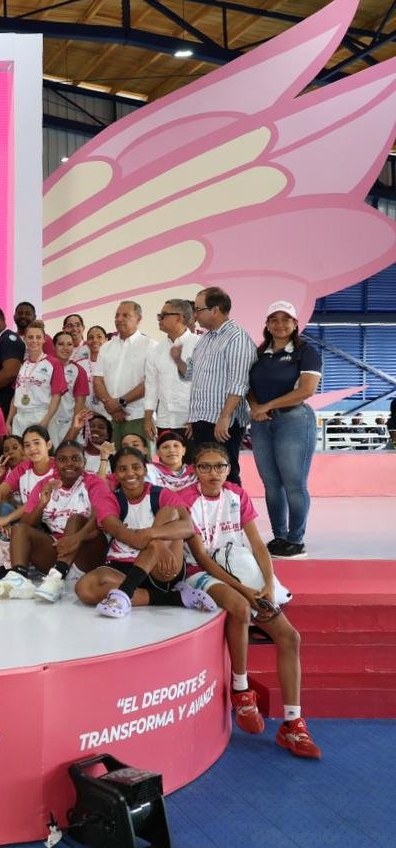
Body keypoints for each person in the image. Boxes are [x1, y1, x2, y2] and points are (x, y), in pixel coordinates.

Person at [176, 442, 320, 759]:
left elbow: (256, 543)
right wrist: (244, 590)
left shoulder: (236, 495)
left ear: (229, 468)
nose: (213, 473)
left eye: (220, 466)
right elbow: (202, 557)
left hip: (240, 567)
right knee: (241, 607)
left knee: (290, 637)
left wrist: (267, 583)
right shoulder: (184, 500)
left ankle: (293, 724)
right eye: (205, 467)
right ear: (194, 469)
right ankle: (241, 690)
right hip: (201, 572)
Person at [73, 446, 217, 617]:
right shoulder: (111, 499)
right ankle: (174, 598)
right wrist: (156, 542)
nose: (130, 473)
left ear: (145, 469)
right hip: (122, 565)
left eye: (136, 467)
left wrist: (153, 537)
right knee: (84, 589)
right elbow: (128, 537)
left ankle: (124, 593)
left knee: (170, 512)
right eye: (122, 469)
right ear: (115, 474)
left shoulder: (161, 494)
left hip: (160, 567)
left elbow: (187, 528)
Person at [0, 440, 108, 602]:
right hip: (57, 550)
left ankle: (57, 577)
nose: (69, 464)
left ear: (84, 462)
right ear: (55, 463)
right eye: (63, 459)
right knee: (19, 529)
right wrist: (41, 504)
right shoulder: (45, 484)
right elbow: (26, 524)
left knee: (75, 520)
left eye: (75, 459)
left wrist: (75, 538)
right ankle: (18, 577)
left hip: (87, 552)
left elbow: (100, 518)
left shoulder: (95, 482)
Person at [248, 301, 322, 558]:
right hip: (262, 423)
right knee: (271, 484)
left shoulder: (306, 352)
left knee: (294, 483)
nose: (280, 324)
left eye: (286, 319)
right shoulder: (259, 354)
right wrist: (256, 407)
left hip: (294, 421)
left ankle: (296, 539)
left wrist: (267, 405)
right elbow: (248, 387)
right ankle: (279, 536)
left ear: (295, 323)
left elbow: (306, 390)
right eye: (274, 319)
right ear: (267, 324)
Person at [187, 286, 256, 485]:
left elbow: (239, 383)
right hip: (202, 419)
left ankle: (235, 507)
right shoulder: (205, 338)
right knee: (203, 474)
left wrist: (225, 417)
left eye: (198, 309)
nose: (195, 315)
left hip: (223, 423)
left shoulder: (237, 337)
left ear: (215, 310)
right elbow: (192, 374)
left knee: (226, 474)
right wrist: (193, 418)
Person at [91, 301, 154, 449]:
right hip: (112, 418)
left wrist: (119, 403)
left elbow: (150, 382)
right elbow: (97, 381)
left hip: (138, 416)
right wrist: (111, 406)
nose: (119, 319)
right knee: (115, 460)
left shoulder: (150, 345)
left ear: (138, 319)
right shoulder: (106, 347)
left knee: (139, 461)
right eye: (117, 315)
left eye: (125, 315)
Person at [0, 424, 56, 542]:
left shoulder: (57, 468)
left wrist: (6, 519)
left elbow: (34, 502)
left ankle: (4, 544)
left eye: (37, 443)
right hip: (25, 520)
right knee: (1, 506)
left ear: (48, 445)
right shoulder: (23, 468)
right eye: (27, 445)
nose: (32, 448)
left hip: (48, 525)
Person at [143, 299, 198, 442]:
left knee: (195, 457)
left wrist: (198, 418)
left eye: (163, 315)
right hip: (164, 421)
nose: (159, 319)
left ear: (179, 318)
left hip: (192, 421)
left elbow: (207, 385)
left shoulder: (199, 344)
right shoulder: (156, 351)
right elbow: (151, 387)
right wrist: (148, 418)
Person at [8, 320, 66, 436]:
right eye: (30, 337)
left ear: (44, 339)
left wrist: (46, 420)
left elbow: (57, 396)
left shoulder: (53, 363)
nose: (34, 340)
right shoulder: (23, 364)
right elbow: (16, 395)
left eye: (38, 337)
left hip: (41, 416)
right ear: (25, 339)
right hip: (20, 418)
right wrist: (9, 420)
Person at [49, 331, 90, 445]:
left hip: (67, 424)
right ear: (54, 346)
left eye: (69, 344)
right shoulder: (45, 367)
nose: (65, 348)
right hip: (47, 422)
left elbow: (79, 404)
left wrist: (73, 429)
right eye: (61, 344)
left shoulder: (79, 371)